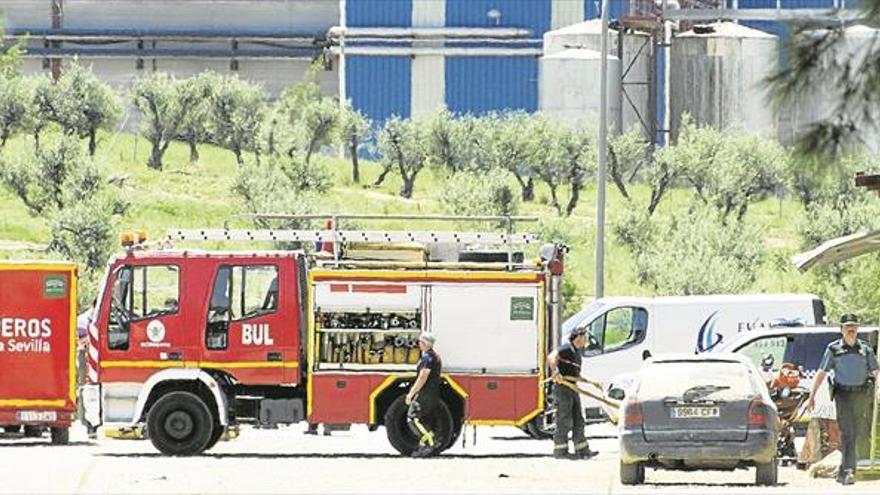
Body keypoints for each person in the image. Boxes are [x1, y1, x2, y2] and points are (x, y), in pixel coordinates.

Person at [807, 313, 879, 485]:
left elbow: (876, 371)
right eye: (847, 327)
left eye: (853, 326)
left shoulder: (865, 349)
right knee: (848, 433)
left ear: (858, 328)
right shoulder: (833, 349)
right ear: (841, 329)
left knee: (860, 432)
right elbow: (821, 372)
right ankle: (848, 471)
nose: (851, 330)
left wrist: (878, 389)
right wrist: (812, 396)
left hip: (861, 395)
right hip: (843, 395)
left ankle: (847, 468)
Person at [547, 327, 599, 460]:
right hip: (563, 388)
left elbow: (576, 375)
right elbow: (551, 357)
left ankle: (582, 450)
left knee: (578, 419)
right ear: (579, 337)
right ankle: (560, 450)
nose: (586, 340)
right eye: (585, 337)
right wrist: (556, 372)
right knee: (564, 419)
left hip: (572, 387)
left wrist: (592, 382)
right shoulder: (566, 348)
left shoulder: (577, 353)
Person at [404, 332, 442, 458]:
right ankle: (428, 443)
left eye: (420, 342)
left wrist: (411, 393)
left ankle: (429, 444)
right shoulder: (434, 356)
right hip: (431, 393)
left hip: (425, 393)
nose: (418, 344)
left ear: (425, 343)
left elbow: (422, 377)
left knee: (413, 419)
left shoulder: (428, 358)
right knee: (420, 419)